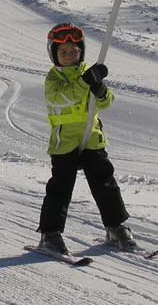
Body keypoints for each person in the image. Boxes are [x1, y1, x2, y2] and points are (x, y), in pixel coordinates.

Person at [36, 23, 136, 255]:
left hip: (92, 140)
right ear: (54, 55)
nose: (70, 56)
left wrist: (100, 89)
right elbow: (62, 98)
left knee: (105, 184)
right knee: (60, 189)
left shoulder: (87, 74)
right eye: (63, 53)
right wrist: (85, 82)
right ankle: (50, 234)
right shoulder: (53, 79)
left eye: (74, 51)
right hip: (65, 145)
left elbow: (106, 102)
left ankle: (115, 227)